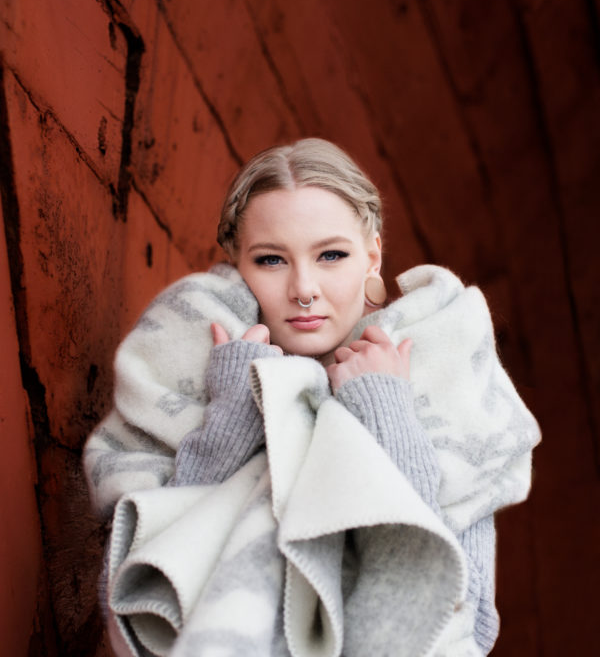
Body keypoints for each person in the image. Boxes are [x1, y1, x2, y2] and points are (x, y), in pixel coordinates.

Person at [84, 138, 541, 657]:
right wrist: (234, 413)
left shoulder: (441, 373)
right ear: (238, 265)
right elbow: (156, 566)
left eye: (331, 255)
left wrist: (385, 404)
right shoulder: (193, 363)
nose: (304, 288)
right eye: (272, 260)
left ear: (372, 256)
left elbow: (463, 611)